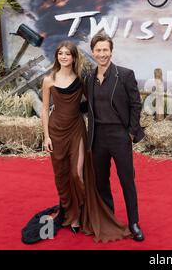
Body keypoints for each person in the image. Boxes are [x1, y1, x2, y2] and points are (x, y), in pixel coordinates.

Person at [40, 40, 132, 242]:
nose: (64, 57)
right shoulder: (48, 80)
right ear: (57, 56)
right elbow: (45, 110)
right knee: (62, 175)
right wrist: (46, 136)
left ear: (74, 57)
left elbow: (94, 101)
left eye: (67, 54)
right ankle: (71, 216)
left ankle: (82, 213)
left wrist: (117, 121)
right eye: (60, 53)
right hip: (56, 132)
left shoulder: (82, 80)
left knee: (77, 174)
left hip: (76, 130)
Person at [83, 32, 146, 241]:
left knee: (127, 180)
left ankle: (134, 222)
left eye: (105, 50)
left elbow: (136, 105)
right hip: (97, 137)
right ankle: (108, 219)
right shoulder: (88, 78)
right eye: (98, 50)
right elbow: (86, 106)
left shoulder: (125, 75)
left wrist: (130, 132)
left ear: (111, 51)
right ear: (93, 52)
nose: (102, 54)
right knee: (101, 182)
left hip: (119, 136)